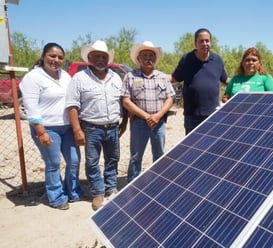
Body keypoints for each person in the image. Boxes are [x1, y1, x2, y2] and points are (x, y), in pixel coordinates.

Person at [19, 42, 83, 210]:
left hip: (67, 127)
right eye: (52, 56)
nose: (56, 60)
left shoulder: (65, 76)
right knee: (53, 163)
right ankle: (56, 196)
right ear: (43, 56)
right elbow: (31, 107)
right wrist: (41, 132)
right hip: (47, 128)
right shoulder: (33, 78)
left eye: (60, 57)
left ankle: (73, 191)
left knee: (74, 160)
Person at [66, 40, 127, 211]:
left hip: (113, 127)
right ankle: (98, 192)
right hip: (91, 128)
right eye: (97, 56)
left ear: (108, 59)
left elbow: (123, 101)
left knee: (113, 159)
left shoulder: (116, 77)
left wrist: (124, 123)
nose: (100, 59)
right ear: (89, 58)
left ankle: (111, 188)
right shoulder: (79, 78)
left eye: (104, 56)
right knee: (92, 162)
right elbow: (72, 105)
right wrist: (77, 130)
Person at [122, 41, 175, 182]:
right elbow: (126, 101)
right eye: (144, 55)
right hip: (139, 123)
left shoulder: (162, 77)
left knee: (159, 155)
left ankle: (158, 183)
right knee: (136, 156)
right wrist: (146, 116)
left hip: (159, 123)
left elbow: (170, 98)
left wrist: (157, 116)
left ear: (155, 59)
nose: (148, 58)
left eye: (151, 55)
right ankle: (132, 183)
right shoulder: (131, 76)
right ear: (138, 58)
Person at [171, 28, 229, 135]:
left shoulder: (217, 60)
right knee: (193, 148)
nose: (204, 43)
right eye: (201, 41)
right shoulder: (186, 59)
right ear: (195, 43)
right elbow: (174, 78)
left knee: (213, 147)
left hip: (213, 115)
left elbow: (226, 80)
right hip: (192, 116)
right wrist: (156, 76)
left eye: (207, 41)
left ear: (211, 42)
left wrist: (244, 80)